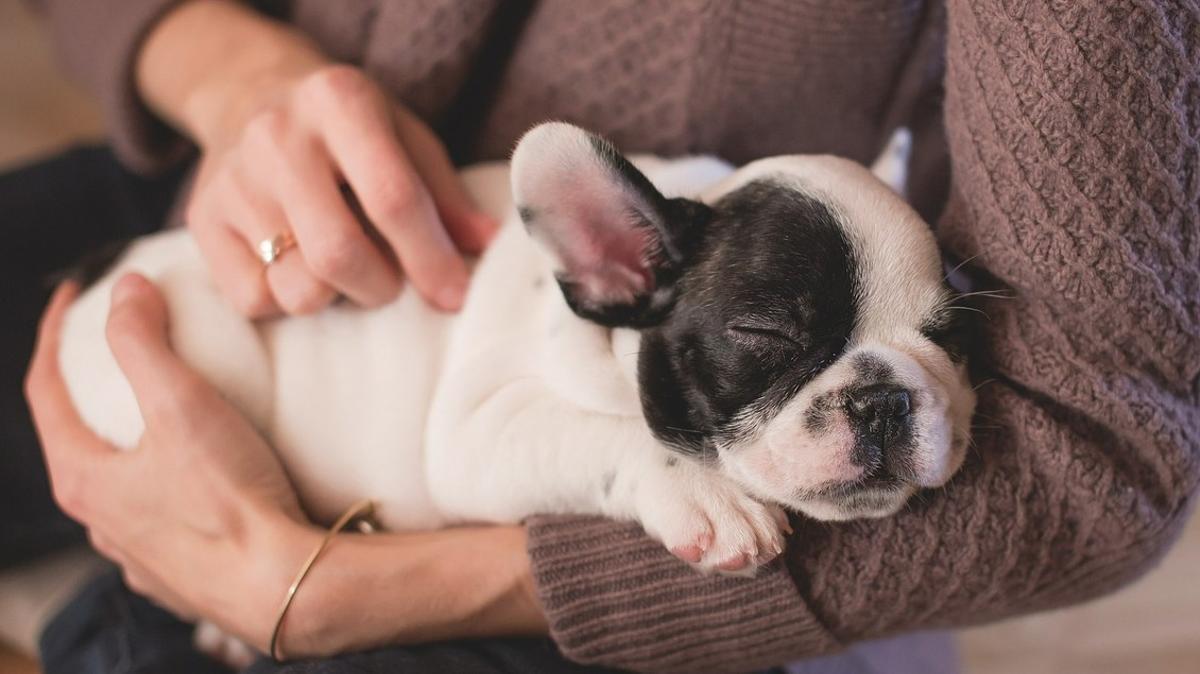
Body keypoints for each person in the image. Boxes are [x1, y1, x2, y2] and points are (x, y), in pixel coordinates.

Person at [11, 0, 1198, 672]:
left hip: (466, 538)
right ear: (610, 267)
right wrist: (230, 71)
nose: (883, 398)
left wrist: (311, 586)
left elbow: (1101, 448)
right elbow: (473, 452)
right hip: (218, 259)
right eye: (780, 345)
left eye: (938, 343)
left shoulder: (713, 268)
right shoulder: (630, 261)